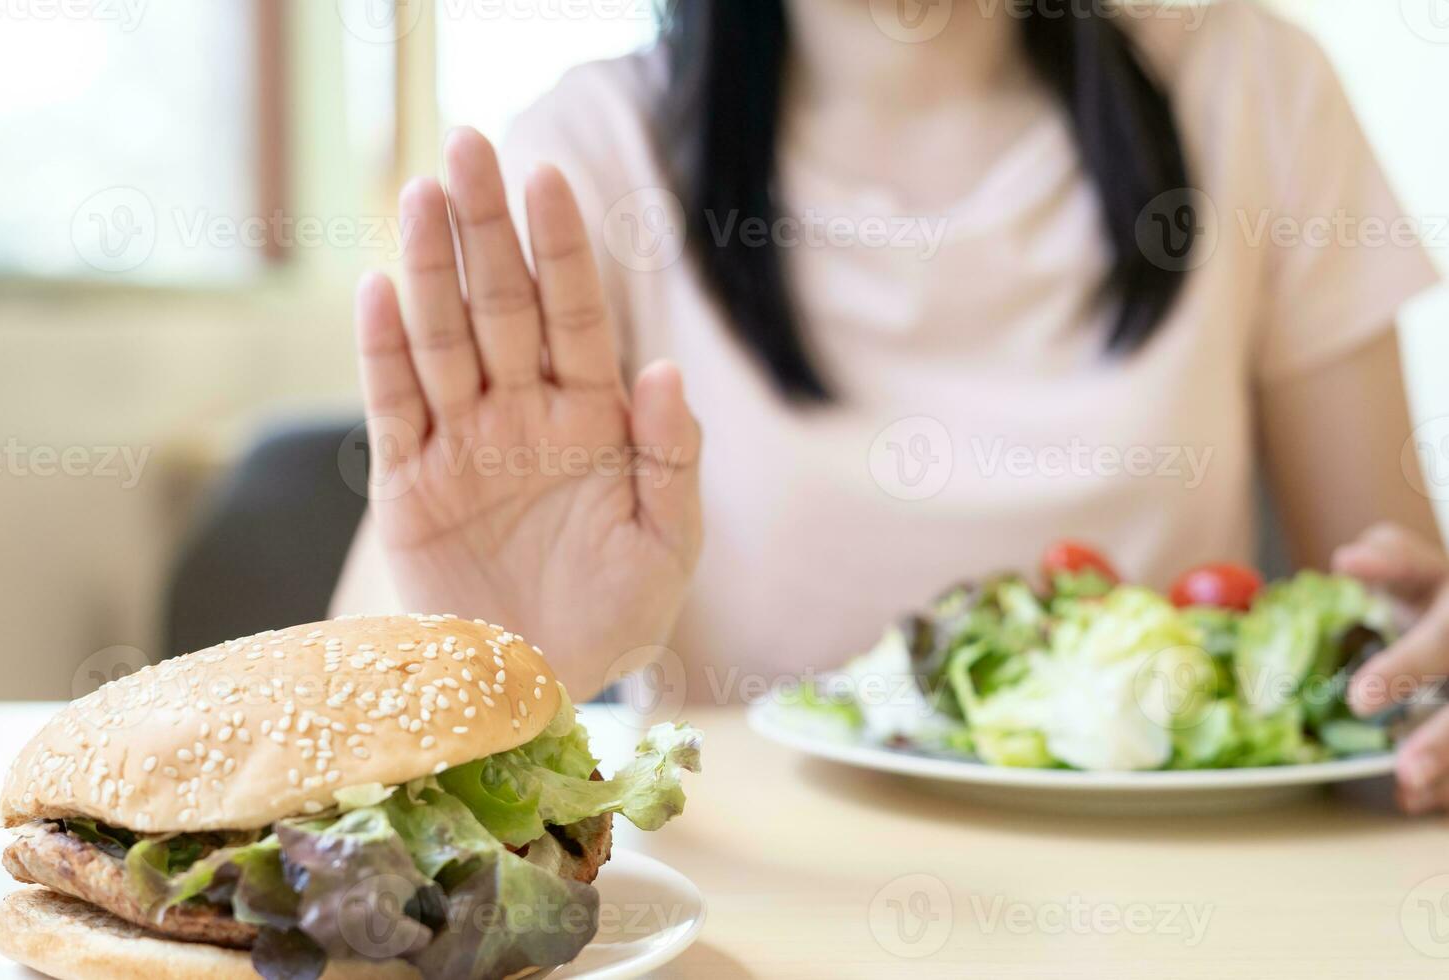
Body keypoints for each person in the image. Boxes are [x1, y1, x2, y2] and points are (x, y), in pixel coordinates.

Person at [332, 1, 1448, 810]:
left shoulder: (1259, 89)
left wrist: (1423, 670)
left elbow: (1391, 629)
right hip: (760, 922)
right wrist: (496, 657)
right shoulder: (583, 157)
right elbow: (341, 748)